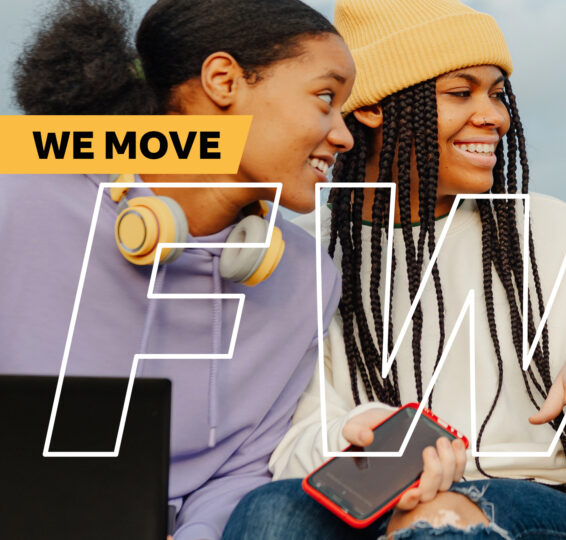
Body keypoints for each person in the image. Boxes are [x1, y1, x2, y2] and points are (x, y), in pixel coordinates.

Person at [223, 0, 566, 538]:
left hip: (548, 503)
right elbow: (288, 439)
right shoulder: (301, 253)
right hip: (367, 507)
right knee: (267, 513)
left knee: (441, 518)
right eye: (461, 93)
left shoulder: (547, 229)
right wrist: (352, 436)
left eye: (497, 94)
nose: (495, 116)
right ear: (372, 109)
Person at [0, 0, 355, 538]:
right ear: (223, 80)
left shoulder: (306, 279)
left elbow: (243, 469)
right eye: (326, 98)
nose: (344, 136)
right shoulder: (21, 201)